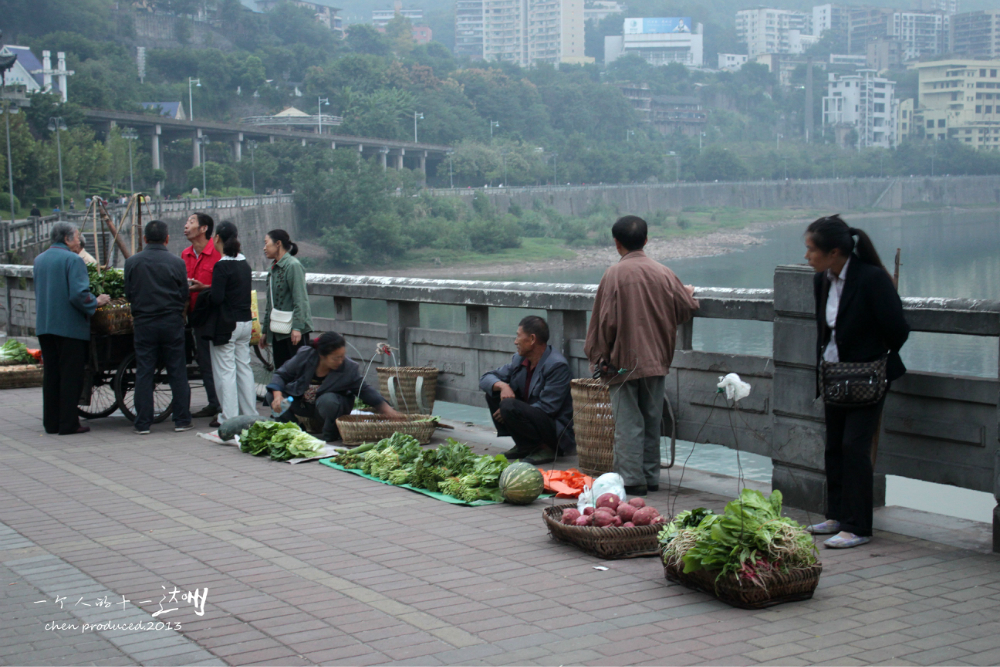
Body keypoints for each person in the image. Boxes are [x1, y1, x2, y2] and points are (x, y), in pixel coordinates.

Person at [803, 215, 909, 549]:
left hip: (867, 377)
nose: (807, 257)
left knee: (854, 447)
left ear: (834, 252)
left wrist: (871, 355)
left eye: (811, 250)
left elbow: (898, 329)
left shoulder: (872, 279)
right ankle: (836, 514)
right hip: (834, 375)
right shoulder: (822, 281)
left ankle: (859, 525)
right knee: (834, 446)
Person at [584, 215, 699, 497]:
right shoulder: (663, 272)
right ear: (646, 240)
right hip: (656, 358)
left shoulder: (613, 275)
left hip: (620, 363)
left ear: (616, 243)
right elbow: (686, 308)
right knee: (651, 418)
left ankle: (633, 479)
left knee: (627, 423)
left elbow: (603, 321)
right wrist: (687, 293)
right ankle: (651, 476)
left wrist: (600, 356)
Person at [33, 222, 111, 435]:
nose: (79, 241)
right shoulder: (73, 260)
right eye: (77, 237)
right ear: (67, 239)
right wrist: (96, 301)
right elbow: (78, 294)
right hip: (68, 327)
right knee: (70, 376)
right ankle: (68, 423)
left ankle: (51, 422)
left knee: (51, 375)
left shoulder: (39, 260)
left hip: (45, 326)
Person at [266, 332, 401, 442]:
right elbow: (282, 375)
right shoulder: (306, 356)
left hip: (326, 409)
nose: (340, 361)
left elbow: (365, 390)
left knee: (328, 400)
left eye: (342, 356)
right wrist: (278, 397)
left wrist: (387, 410)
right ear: (322, 355)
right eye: (335, 358)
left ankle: (331, 433)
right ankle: (294, 430)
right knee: (272, 395)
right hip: (301, 404)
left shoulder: (348, 368)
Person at [124, 220, 193, 435]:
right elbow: (184, 294)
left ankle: (143, 423)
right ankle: (181, 420)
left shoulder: (133, 262)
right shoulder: (177, 262)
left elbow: (128, 294)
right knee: (177, 370)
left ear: (145, 239)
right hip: (171, 322)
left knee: (144, 371)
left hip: (144, 322)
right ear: (167, 239)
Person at [479, 316, 575, 464]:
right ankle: (525, 446)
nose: (515, 341)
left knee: (508, 405)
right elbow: (486, 378)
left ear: (532, 339)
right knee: (494, 391)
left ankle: (545, 448)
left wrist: (512, 410)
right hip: (533, 416)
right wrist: (503, 386)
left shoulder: (557, 365)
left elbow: (548, 408)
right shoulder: (519, 359)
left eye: (518, 336)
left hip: (554, 430)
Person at [198, 221, 256, 425]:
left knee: (225, 371)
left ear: (217, 239)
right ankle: (250, 414)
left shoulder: (222, 265)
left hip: (226, 325)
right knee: (244, 368)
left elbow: (217, 298)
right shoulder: (244, 263)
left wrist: (204, 291)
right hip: (245, 323)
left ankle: (228, 417)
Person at [181, 212, 221, 420]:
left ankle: (226, 403)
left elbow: (225, 287)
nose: (186, 226)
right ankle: (213, 402)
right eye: (187, 222)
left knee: (221, 360)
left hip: (216, 315)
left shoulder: (217, 253)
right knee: (204, 361)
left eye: (191, 222)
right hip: (196, 316)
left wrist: (203, 288)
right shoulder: (185, 254)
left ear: (204, 228)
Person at [260, 229, 312, 371]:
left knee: (299, 370)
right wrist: (265, 331)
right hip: (278, 329)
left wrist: (297, 328)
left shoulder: (292, 265)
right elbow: (270, 303)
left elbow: (300, 299)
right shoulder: (274, 268)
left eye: (266, 243)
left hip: (294, 331)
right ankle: (283, 394)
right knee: (282, 371)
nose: (264, 248)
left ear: (278, 244)